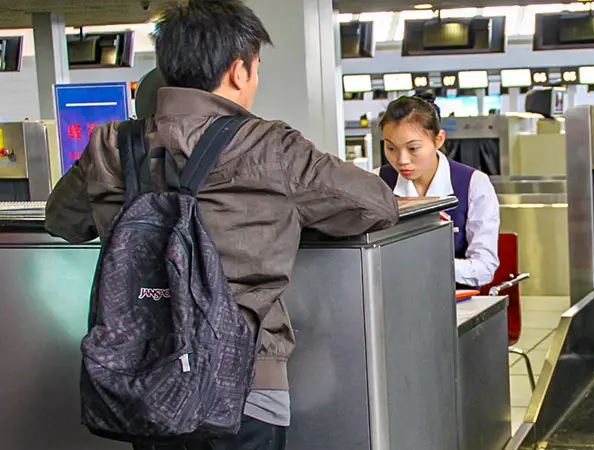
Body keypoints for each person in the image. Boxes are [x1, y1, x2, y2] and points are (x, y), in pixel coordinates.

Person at [44, 1, 399, 449]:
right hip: (247, 383)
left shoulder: (112, 144)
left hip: (142, 381)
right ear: (238, 71)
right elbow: (377, 205)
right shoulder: (270, 146)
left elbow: (62, 221)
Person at [375, 96, 500, 288]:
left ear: (438, 139)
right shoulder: (376, 183)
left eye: (413, 148)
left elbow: (484, 268)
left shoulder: (473, 184)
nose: (402, 160)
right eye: (391, 148)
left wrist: (430, 264)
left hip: (455, 302)